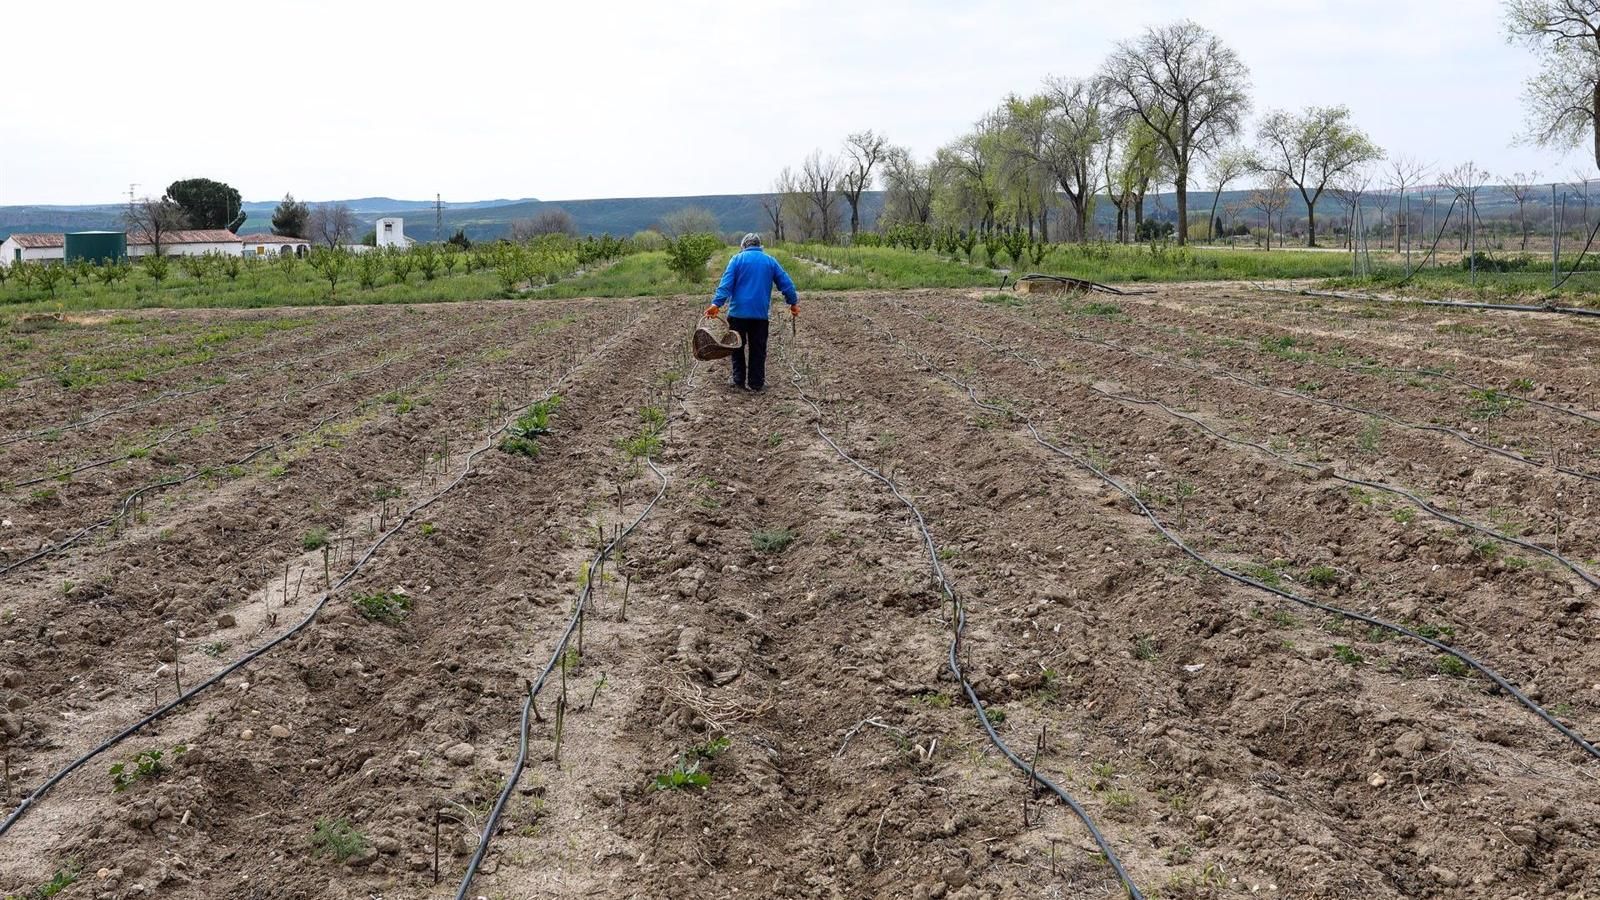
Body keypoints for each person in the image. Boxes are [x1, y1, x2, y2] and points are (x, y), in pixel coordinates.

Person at [704, 233, 798, 392]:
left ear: (744, 246)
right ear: (760, 246)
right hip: (759, 315)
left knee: (736, 347)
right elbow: (786, 284)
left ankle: (738, 380)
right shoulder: (770, 261)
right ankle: (756, 383)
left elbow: (725, 285)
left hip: (737, 314)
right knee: (758, 349)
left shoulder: (736, 260)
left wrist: (716, 304)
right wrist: (793, 303)